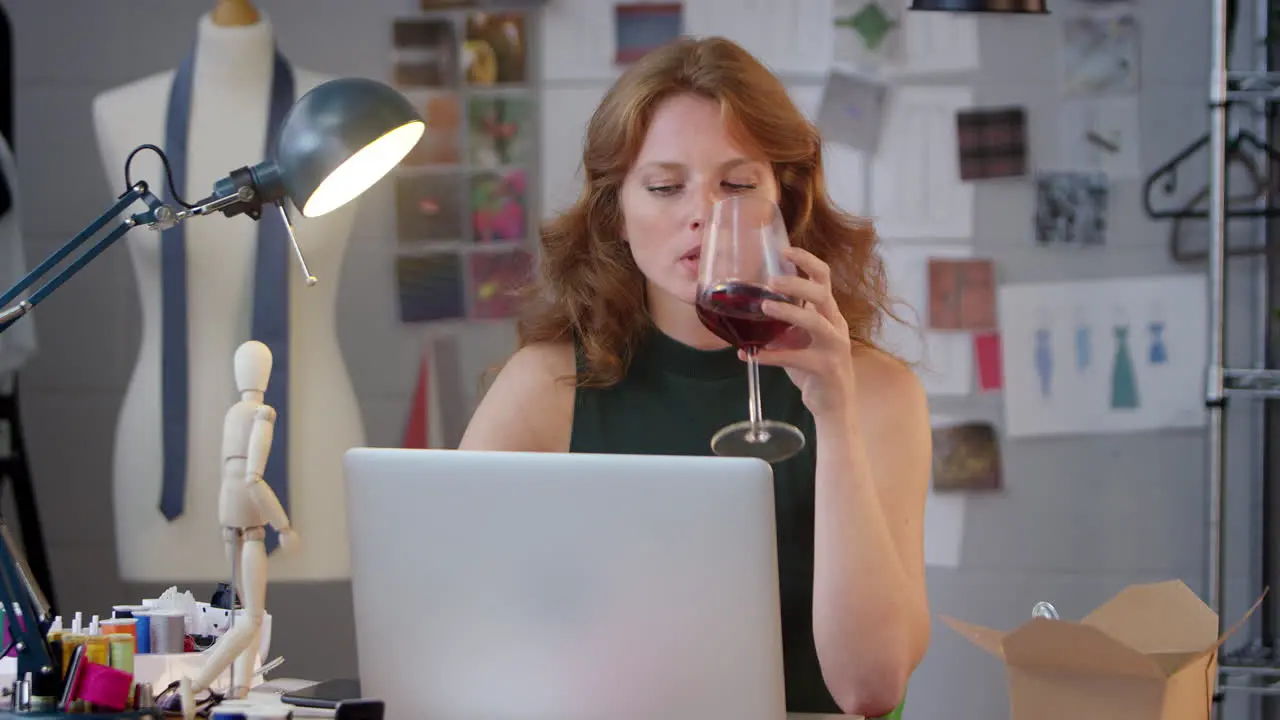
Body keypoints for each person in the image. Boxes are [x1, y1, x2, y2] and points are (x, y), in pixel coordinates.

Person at [460, 35, 931, 718]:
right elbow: (461, 628)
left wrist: (834, 413)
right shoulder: (544, 388)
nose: (703, 213)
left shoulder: (879, 394)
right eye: (663, 186)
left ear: (785, 203)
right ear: (615, 211)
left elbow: (870, 687)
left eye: (737, 185)